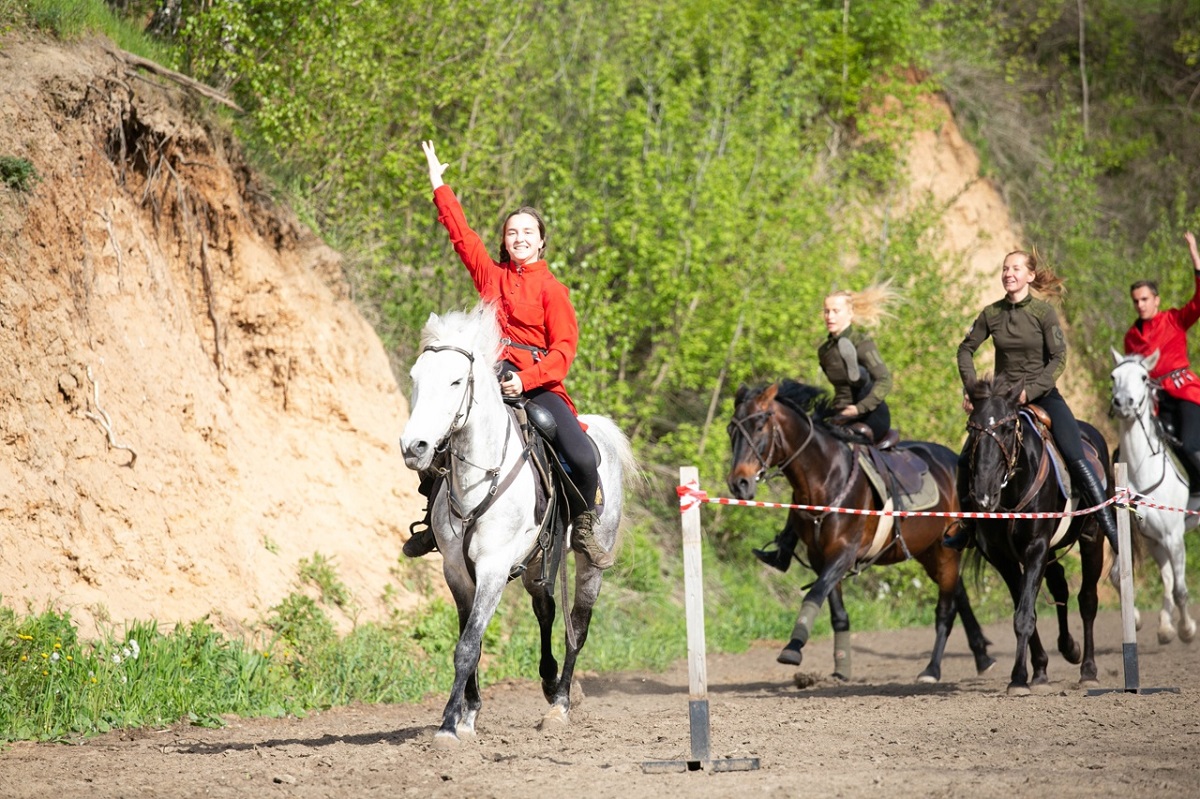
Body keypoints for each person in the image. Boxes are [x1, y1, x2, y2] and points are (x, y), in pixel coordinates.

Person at [403, 140, 611, 569]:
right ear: (505, 240)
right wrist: (439, 185)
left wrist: (528, 380)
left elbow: (564, 351)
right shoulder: (492, 276)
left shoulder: (554, 291)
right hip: (493, 373)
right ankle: (432, 519)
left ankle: (584, 526)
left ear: (540, 242)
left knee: (584, 455)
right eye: (512, 232)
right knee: (440, 423)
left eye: (527, 233)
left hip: (539, 381)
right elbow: (462, 237)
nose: (519, 238)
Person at [944, 249, 1119, 552]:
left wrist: (1031, 390)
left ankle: (1110, 529)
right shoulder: (991, 313)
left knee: (1075, 455)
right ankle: (969, 527)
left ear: (1030, 276)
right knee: (966, 458)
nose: (1008, 274)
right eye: (1005, 268)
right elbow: (965, 350)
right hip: (1001, 403)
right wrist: (973, 391)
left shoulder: (1043, 313)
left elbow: (1059, 358)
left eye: (1015, 268)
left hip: (1043, 396)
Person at [753, 283, 897, 571]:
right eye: (826, 311)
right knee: (808, 463)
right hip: (842, 413)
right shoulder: (824, 350)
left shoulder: (862, 343)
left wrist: (859, 407)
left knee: (848, 452)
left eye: (835, 311)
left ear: (850, 313)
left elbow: (885, 381)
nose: (829, 316)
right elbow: (839, 392)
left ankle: (885, 513)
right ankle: (786, 545)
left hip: (871, 414)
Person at [1123, 231, 1200, 484]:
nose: (1140, 305)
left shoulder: (1173, 320)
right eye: (1136, 301)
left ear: (1156, 300)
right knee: (1162, 445)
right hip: (1156, 400)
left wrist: (1194, 256)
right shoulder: (1131, 338)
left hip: (1185, 391)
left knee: (1189, 445)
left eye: (1145, 299)